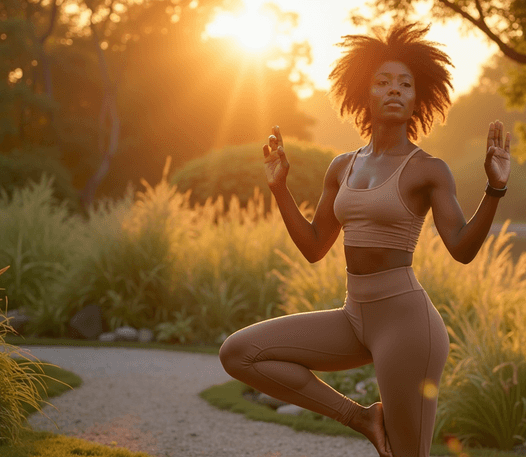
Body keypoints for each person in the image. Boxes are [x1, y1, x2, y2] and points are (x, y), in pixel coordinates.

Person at [219, 22, 511, 457]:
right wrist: (280, 188)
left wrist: (495, 189)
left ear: (417, 99)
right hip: (354, 316)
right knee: (239, 353)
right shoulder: (342, 166)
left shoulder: (429, 169)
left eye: (405, 84)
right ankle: (360, 417)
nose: (394, 90)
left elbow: (463, 249)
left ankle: (376, 425)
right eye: (382, 82)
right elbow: (316, 246)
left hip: (407, 324)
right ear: (364, 93)